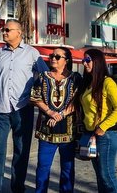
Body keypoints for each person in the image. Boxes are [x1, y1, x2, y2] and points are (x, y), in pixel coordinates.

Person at [0, 19, 49, 193]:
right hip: (0, 109)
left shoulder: (32, 53)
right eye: (3, 29)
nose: (3, 32)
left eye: (7, 29)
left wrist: (36, 96)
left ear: (19, 32)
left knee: (21, 151)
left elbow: (45, 77)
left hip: (23, 109)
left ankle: (17, 187)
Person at [30, 47, 82, 193]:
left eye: (57, 57)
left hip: (68, 131)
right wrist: (50, 112)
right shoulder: (43, 76)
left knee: (67, 168)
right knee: (43, 167)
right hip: (46, 130)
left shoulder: (75, 78)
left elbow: (78, 100)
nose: (53, 58)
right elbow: (35, 97)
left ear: (66, 60)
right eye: (52, 56)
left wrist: (61, 115)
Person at [76, 49, 117, 192]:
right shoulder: (88, 84)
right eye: (83, 60)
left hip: (106, 134)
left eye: (88, 60)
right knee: (100, 176)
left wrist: (102, 127)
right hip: (90, 134)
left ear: (97, 62)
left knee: (107, 175)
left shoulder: (108, 82)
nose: (84, 63)